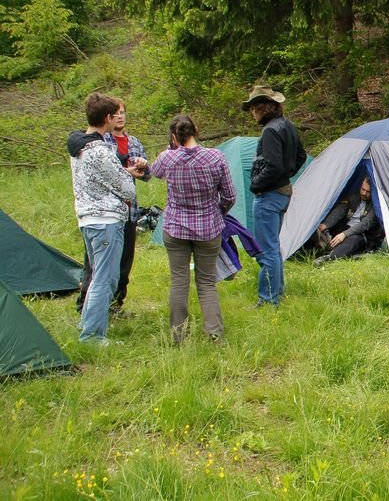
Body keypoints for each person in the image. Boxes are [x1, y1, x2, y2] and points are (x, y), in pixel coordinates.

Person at [149, 115, 237, 344]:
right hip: (208, 229)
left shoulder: (167, 158)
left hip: (175, 228)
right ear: (196, 130)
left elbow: (152, 172)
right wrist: (217, 212)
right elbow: (229, 196)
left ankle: (178, 336)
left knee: (179, 281)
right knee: (206, 282)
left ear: (174, 136)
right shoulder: (215, 157)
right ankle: (215, 333)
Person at [67, 93, 145, 344]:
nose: (117, 118)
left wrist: (121, 172)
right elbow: (128, 190)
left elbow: (99, 178)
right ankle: (92, 336)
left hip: (87, 217)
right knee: (105, 279)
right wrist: (127, 174)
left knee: (96, 276)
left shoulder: (78, 145)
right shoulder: (101, 150)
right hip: (106, 220)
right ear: (107, 118)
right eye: (115, 115)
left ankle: (87, 324)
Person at [244, 85, 306, 306]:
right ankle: (276, 293)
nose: (252, 113)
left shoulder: (270, 131)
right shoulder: (286, 125)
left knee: (266, 249)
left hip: (269, 195)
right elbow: (301, 156)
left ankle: (269, 299)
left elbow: (273, 166)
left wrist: (255, 185)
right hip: (283, 193)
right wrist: (286, 175)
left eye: (254, 108)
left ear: (263, 107)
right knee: (273, 247)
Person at [312, 177, 384, 265]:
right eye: (363, 189)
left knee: (354, 240)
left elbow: (365, 224)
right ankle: (322, 245)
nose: (364, 193)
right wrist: (325, 224)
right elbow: (339, 211)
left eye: (368, 192)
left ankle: (328, 258)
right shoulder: (354, 197)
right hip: (346, 228)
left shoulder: (376, 205)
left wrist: (344, 234)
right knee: (325, 228)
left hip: (361, 235)